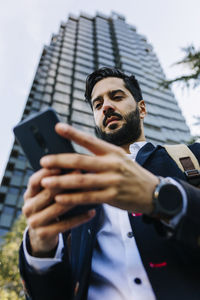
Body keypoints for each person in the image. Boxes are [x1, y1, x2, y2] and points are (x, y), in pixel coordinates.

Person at [19, 68, 200, 300]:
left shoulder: (191, 156)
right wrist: (39, 251)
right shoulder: (75, 191)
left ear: (141, 108)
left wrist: (164, 197)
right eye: (97, 104)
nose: (106, 106)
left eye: (116, 97)